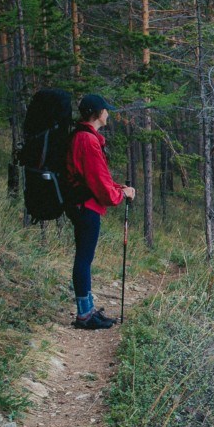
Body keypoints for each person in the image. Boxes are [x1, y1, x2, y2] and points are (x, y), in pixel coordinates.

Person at [64, 93, 136, 330]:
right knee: (84, 259)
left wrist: (119, 188)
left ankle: (88, 309)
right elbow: (99, 183)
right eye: (105, 110)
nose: (108, 113)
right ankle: (85, 316)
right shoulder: (87, 140)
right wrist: (119, 194)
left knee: (85, 258)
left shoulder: (86, 138)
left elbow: (98, 179)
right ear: (96, 113)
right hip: (86, 207)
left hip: (83, 205)